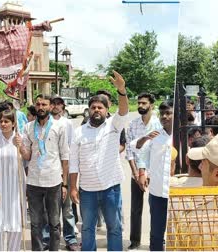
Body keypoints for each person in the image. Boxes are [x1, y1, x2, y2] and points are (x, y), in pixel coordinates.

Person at [69, 70, 129, 251]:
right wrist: (72, 187)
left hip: (111, 188)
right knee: (87, 228)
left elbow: (124, 111)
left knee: (115, 227)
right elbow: (73, 163)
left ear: (106, 110)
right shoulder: (79, 132)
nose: (96, 110)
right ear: (89, 110)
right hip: (87, 191)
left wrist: (121, 91)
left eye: (100, 107)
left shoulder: (114, 125)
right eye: (93, 107)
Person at [21, 94, 69, 251]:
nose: (40, 107)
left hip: (53, 181)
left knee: (54, 222)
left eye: (44, 104)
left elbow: (65, 156)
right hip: (34, 182)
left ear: (50, 107)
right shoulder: (28, 127)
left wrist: (65, 184)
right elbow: (27, 156)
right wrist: (20, 146)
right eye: (38, 104)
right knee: (35, 224)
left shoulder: (59, 127)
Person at [133, 99, 175, 251]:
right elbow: (140, 151)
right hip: (157, 192)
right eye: (162, 113)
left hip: (175, 192)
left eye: (168, 113)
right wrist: (142, 172)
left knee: (176, 233)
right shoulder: (155, 135)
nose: (164, 116)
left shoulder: (182, 136)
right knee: (157, 233)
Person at [125, 92, 161, 250]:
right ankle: (135, 241)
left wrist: (149, 173)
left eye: (144, 103)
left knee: (156, 208)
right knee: (135, 208)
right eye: (139, 103)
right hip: (137, 173)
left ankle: (157, 241)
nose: (140, 106)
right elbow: (129, 150)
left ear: (151, 105)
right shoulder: (133, 124)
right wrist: (135, 173)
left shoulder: (159, 124)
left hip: (155, 172)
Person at [0, 110, 26, 251]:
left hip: (17, 190)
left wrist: (20, 146)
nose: (3, 124)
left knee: (16, 226)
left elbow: (27, 158)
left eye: (7, 121)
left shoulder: (19, 139)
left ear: (14, 123)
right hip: (0, 188)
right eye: (1, 121)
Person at [48, 96, 79, 251]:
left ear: (63, 107)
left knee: (67, 210)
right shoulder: (44, 123)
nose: (55, 106)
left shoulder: (67, 123)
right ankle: (48, 239)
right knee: (49, 210)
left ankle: (70, 238)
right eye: (53, 104)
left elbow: (71, 147)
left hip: (64, 169)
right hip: (48, 172)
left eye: (59, 104)